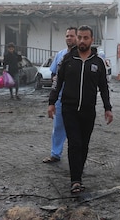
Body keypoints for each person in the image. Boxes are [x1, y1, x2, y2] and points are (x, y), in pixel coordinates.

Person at [47, 26, 113, 194]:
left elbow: (104, 87)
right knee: (74, 143)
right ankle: (75, 180)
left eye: (86, 38)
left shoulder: (97, 62)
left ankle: (78, 172)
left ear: (92, 40)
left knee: (84, 145)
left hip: (88, 111)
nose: (82, 41)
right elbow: (57, 82)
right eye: (80, 37)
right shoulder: (67, 60)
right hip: (69, 109)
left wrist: (107, 108)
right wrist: (52, 102)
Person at [43, 27, 78, 164]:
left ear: (77, 37)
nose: (69, 38)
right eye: (67, 36)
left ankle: (75, 157)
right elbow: (53, 73)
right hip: (60, 98)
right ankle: (55, 154)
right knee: (58, 127)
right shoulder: (60, 55)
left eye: (72, 36)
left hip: (75, 99)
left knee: (75, 129)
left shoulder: (80, 56)